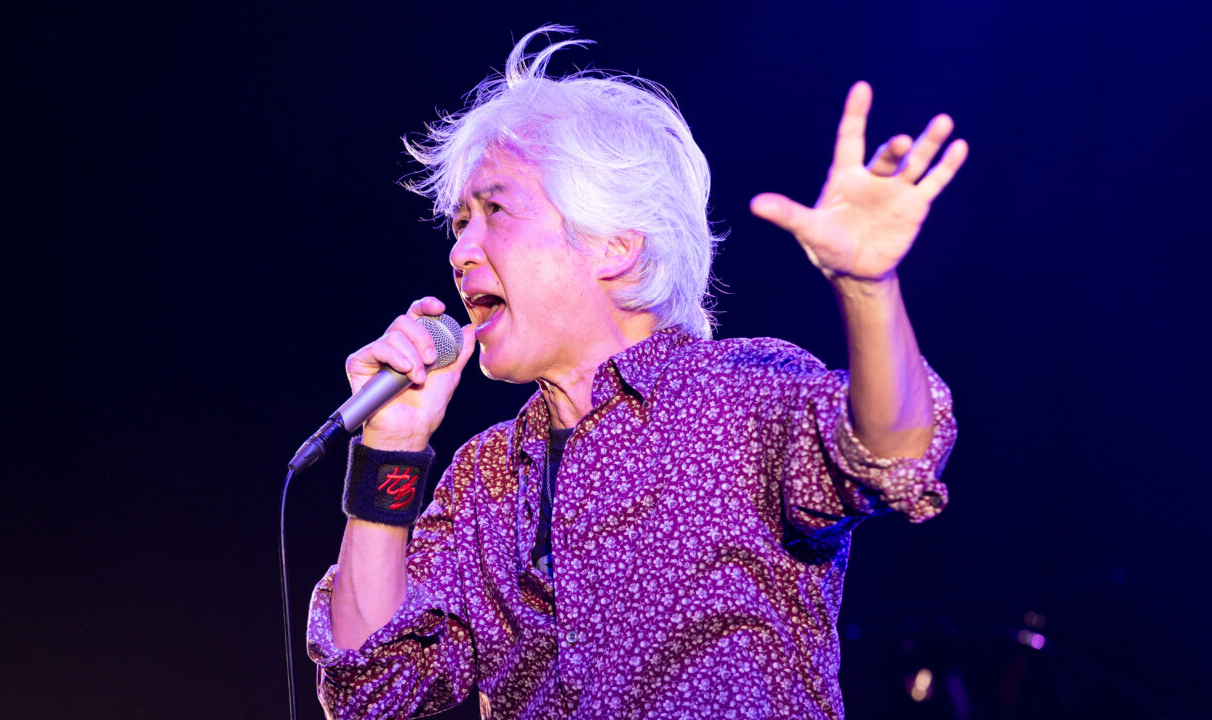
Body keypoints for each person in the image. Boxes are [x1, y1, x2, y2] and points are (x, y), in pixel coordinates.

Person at [307, 25, 967, 720]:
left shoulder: (740, 396)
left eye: (494, 210)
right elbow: (368, 691)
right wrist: (392, 446)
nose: (461, 250)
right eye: (459, 223)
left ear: (615, 245)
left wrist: (868, 287)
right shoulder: (486, 480)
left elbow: (894, 453)